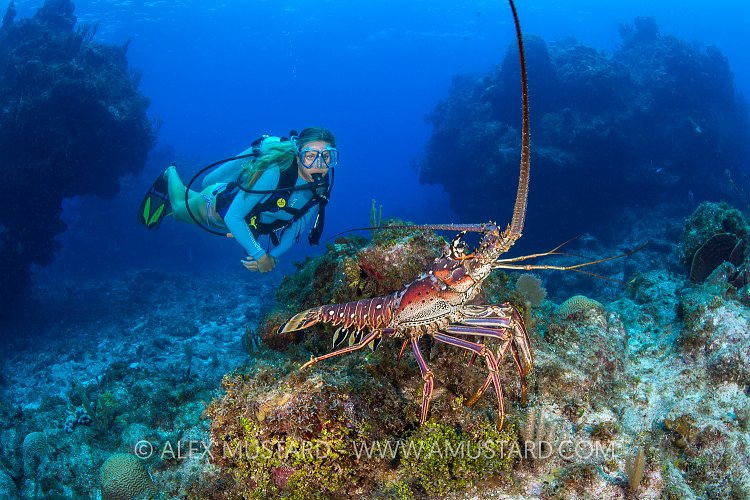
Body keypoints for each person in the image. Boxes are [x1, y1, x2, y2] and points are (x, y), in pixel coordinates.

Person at [138, 127, 337, 273]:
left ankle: (180, 188)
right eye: (310, 156)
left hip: (234, 217)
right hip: (215, 207)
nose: (319, 165)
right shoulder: (275, 172)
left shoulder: (319, 189)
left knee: (185, 202)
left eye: (327, 157)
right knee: (179, 210)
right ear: (297, 154)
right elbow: (233, 217)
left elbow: (296, 230)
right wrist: (260, 255)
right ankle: (170, 173)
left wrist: (272, 257)